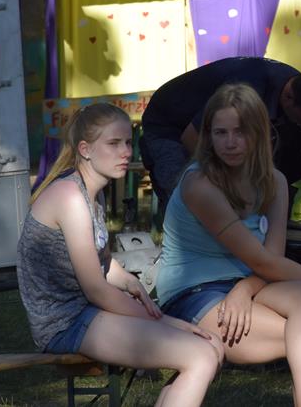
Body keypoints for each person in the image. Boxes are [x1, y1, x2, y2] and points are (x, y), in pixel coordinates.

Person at [154, 83, 301, 407]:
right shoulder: (200, 184)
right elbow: (264, 263)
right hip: (193, 294)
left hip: (248, 285)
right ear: (208, 137)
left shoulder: (274, 182)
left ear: (258, 133)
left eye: (240, 132)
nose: (230, 142)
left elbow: (272, 259)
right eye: (220, 132)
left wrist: (244, 289)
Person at [17, 103, 221, 407]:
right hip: (64, 323)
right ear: (85, 149)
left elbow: (101, 260)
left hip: (86, 313)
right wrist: (166, 321)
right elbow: (96, 289)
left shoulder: (92, 192)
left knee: (212, 349)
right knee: (201, 355)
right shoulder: (70, 197)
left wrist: (129, 281)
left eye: (128, 142)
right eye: (113, 143)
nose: (126, 151)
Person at [140, 57, 301, 213]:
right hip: (168, 125)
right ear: (289, 98)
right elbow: (192, 138)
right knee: (182, 196)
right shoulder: (248, 88)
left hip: (196, 128)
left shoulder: (297, 84)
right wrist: (226, 183)